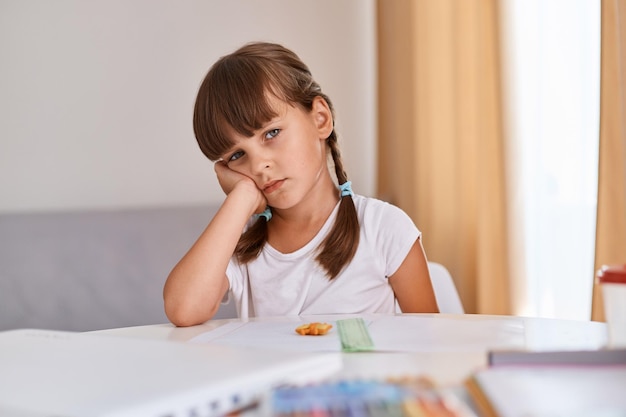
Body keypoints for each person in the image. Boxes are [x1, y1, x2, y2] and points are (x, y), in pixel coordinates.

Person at [163, 42, 439, 327]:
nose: (258, 166)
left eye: (272, 133)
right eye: (237, 155)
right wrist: (242, 197)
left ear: (320, 118)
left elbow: (429, 344)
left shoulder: (383, 228)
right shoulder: (241, 243)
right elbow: (184, 310)